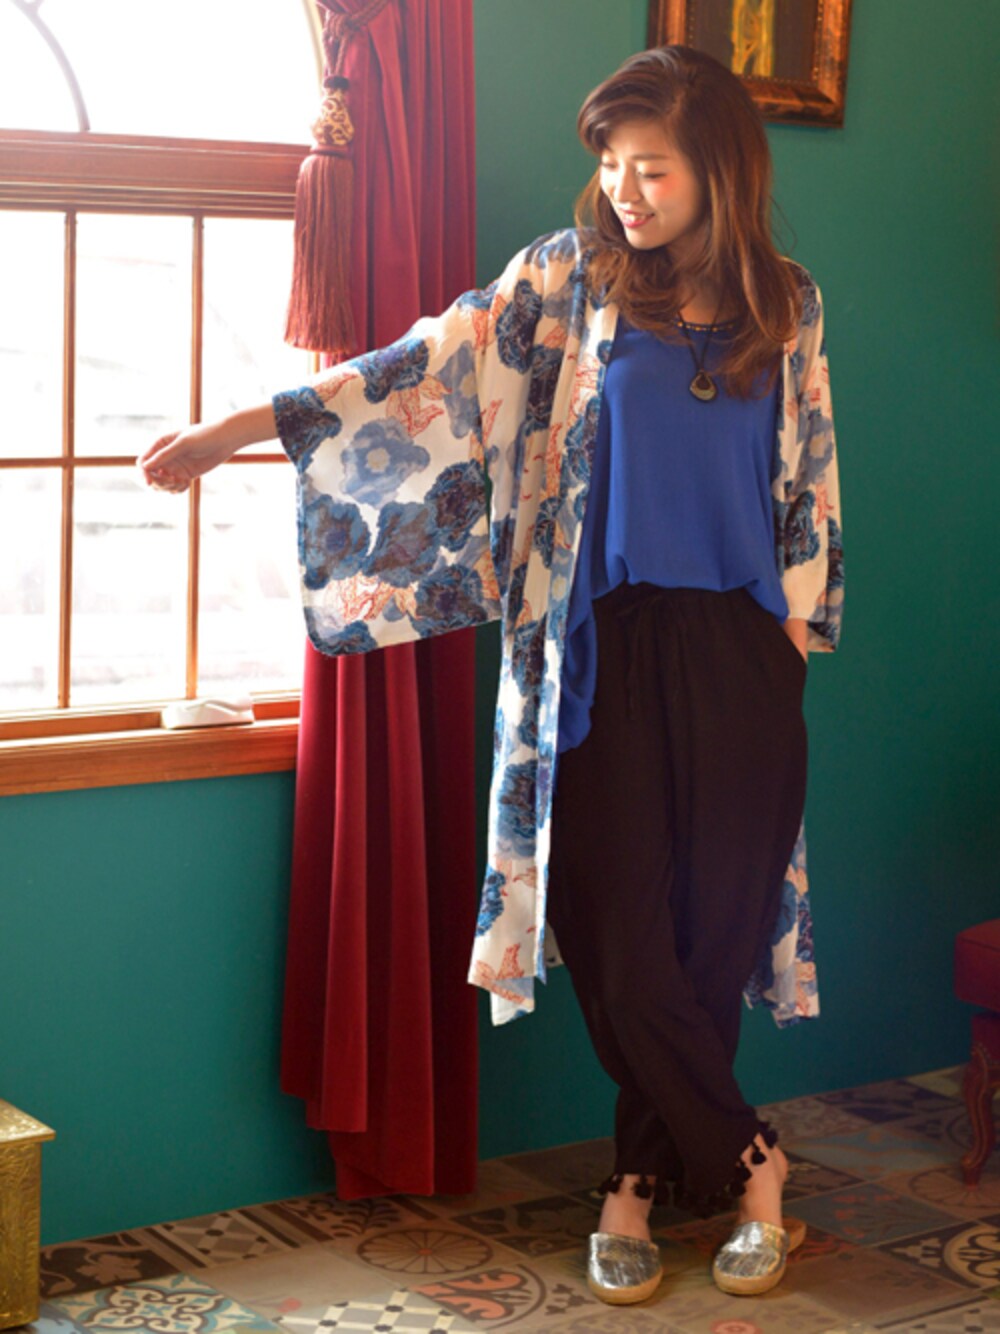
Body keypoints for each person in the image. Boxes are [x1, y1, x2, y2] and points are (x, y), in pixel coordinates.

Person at [138, 44, 842, 1307]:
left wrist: (792, 634)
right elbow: (414, 370)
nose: (623, 189)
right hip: (599, 647)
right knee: (619, 939)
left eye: (652, 167)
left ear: (718, 171)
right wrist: (234, 430)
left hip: (742, 655)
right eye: (611, 164)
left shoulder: (785, 302)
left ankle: (634, 1189)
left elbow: (809, 477)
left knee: (710, 936)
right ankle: (751, 1161)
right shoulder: (565, 284)